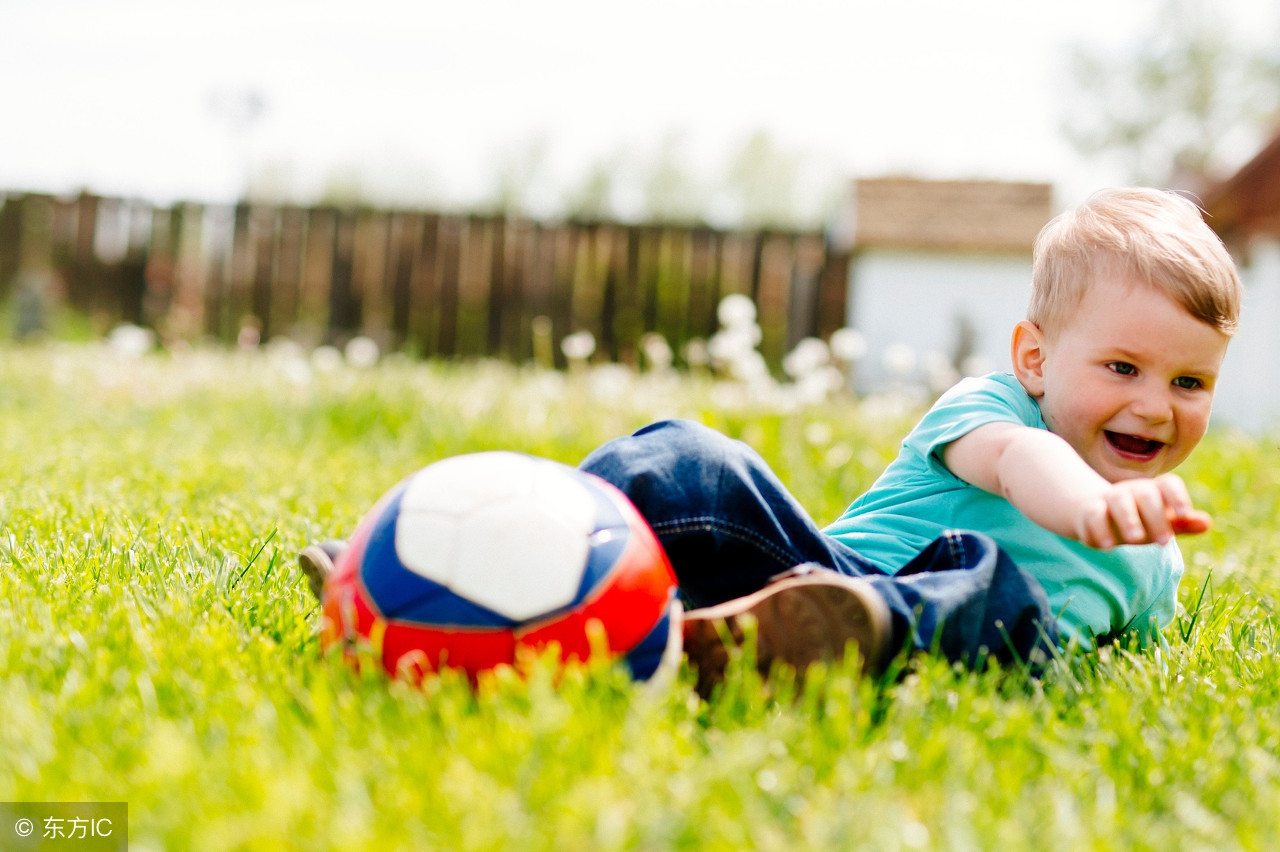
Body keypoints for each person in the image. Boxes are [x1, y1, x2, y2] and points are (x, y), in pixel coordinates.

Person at [301, 187, 1242, 696]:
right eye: (1122, 369)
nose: (1157, 406)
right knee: (688, 459)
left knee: (1002, 594)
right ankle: (475, 554)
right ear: (1034, 359)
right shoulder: (995, 410)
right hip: (810, 571)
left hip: (922, 642)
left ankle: (803, 645)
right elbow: (1020, 466)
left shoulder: (1153, 558)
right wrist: (1089, 508)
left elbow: (1107, 666)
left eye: (1189, 381)